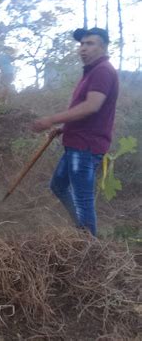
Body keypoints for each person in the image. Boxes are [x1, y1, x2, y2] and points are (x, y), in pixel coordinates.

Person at [32, 27, 119, 236]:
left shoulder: (102, 71)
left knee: (83, 200)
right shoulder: (91, 72)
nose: (83, 48)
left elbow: (91, 106)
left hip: (86, 147)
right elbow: (86, 113)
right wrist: (63, 129)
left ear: (104, 47)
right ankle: (81, 229)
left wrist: (51, 120)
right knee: (58, 186)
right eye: (82, 44)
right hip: (76, 142)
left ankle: (89, 248)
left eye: (90, 44)